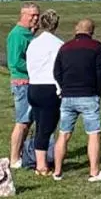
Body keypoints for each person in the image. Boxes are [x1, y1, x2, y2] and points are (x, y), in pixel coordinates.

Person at [52, 18, 101, 182]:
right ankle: (94, 172)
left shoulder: (65, 47)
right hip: (88, 95)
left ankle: (57, 171)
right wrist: (98, 93)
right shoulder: (96, 47)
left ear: (75, 30)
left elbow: (56, 71)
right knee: (94, 133)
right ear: (92, 31)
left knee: (64, 133)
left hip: (68, 96)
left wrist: (64, 87)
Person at [24, 10, 64, 175]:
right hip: (49, 87)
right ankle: (41, 165)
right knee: (46, 128)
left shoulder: (34, 43)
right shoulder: (59, 44)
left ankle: (42, 160)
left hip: (34, 86)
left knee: (41, 124)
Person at [5, 3, 40, 168]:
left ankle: (21, 152)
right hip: (22, 81)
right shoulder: (17, 35)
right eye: (32, 15)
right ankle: (13, 158)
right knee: (22, 121)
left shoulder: (28, 34)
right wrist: (34, 69)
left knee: (28, 120)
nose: (35, 18)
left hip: (31, 82)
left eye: (37, 15)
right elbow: (15, 61)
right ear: (23, 15)